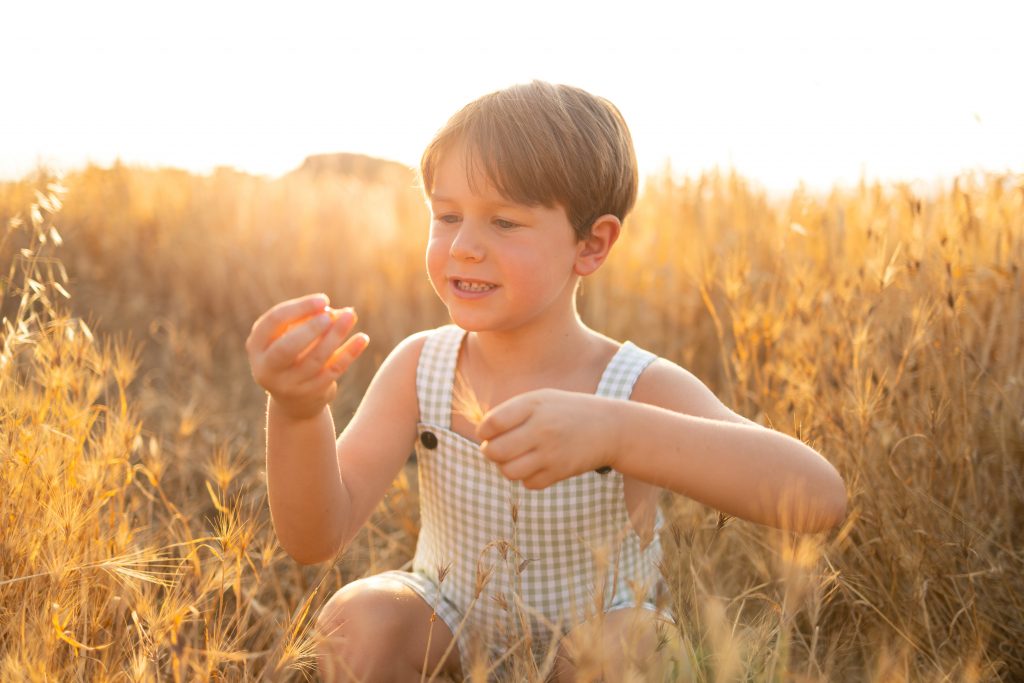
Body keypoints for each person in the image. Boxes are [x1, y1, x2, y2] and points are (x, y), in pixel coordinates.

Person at [245, 80, 847, 682]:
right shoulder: (421, 366)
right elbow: (316, 539)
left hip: (597, 636)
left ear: (591, 244)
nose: (463, 246)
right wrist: (298, 412)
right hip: (451, 624)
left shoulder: (631, 385)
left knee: (637, 648)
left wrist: (618, 433)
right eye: (447, 215)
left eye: (504, 222)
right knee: (358, 620)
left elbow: (819, 497)